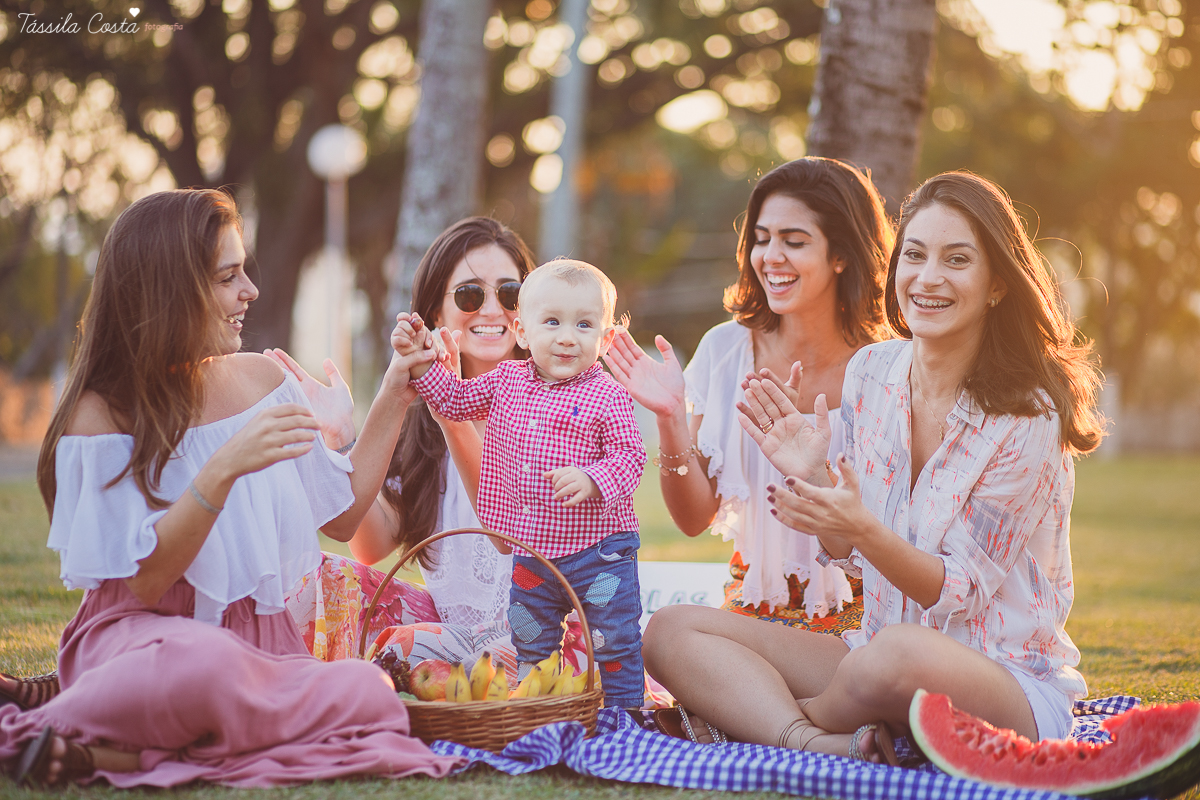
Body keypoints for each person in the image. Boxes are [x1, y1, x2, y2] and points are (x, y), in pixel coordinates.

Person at [0, 189, 463, 786]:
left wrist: (397, 393)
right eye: (228, 277)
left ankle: (106, 748)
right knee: (206, 670)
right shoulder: (101, 415)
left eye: (244, 271)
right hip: (148, 638)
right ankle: (95, 714)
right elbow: (143, 581)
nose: (251, 291)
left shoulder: (264, 378)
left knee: (369, 691)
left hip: (263, 646)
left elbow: (344, 518)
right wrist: (223, 468)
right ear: (170, 289)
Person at [641, 171, 1104, 762]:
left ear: (995, 285)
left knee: (900, 654)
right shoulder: (873, 373)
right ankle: (820, 742)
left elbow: (951, 591)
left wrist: (861, 529)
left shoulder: (1027, 415)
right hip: (870, 653)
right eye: (915, 254)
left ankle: (755, 718)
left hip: (1004, 681)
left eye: (957, 259)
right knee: (672, 630)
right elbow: (849, 553)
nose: (928, 277)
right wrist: (812, 475)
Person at [604, 158, 892, 634]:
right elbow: (695, 519)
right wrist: (671, 418)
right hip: (754, 612)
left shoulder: (888, 367)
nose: (770, 257)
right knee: (665, 636)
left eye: (794, 241)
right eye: (762, 239)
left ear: (840, 255)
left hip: (868, 622)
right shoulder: (724, 349)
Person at [276, 217, 554, 680]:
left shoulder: (557, 400)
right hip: (453, 641)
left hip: (540, 632)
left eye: (509, 293)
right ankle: (296, 699)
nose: (492, 309)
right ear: (435, 313)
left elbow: (509, 530)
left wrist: (452, 412)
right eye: (470, 294)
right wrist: (341, 435)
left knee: (410, 648)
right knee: (321, 577)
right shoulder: (423, 428)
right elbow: (369, 543)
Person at [397, 259, 648, 709]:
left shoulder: (608, 394)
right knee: (532, 641)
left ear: (606, 339)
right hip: (532, 553)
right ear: (523, 331)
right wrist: (422, 364)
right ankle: (537, 711)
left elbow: (631, 457)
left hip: (600, 552)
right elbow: (454, 400)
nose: (567, 336)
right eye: (552, 322)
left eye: (585, 324)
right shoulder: (508, 381)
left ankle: (625, 717)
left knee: (614, 642)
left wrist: (593, 477)